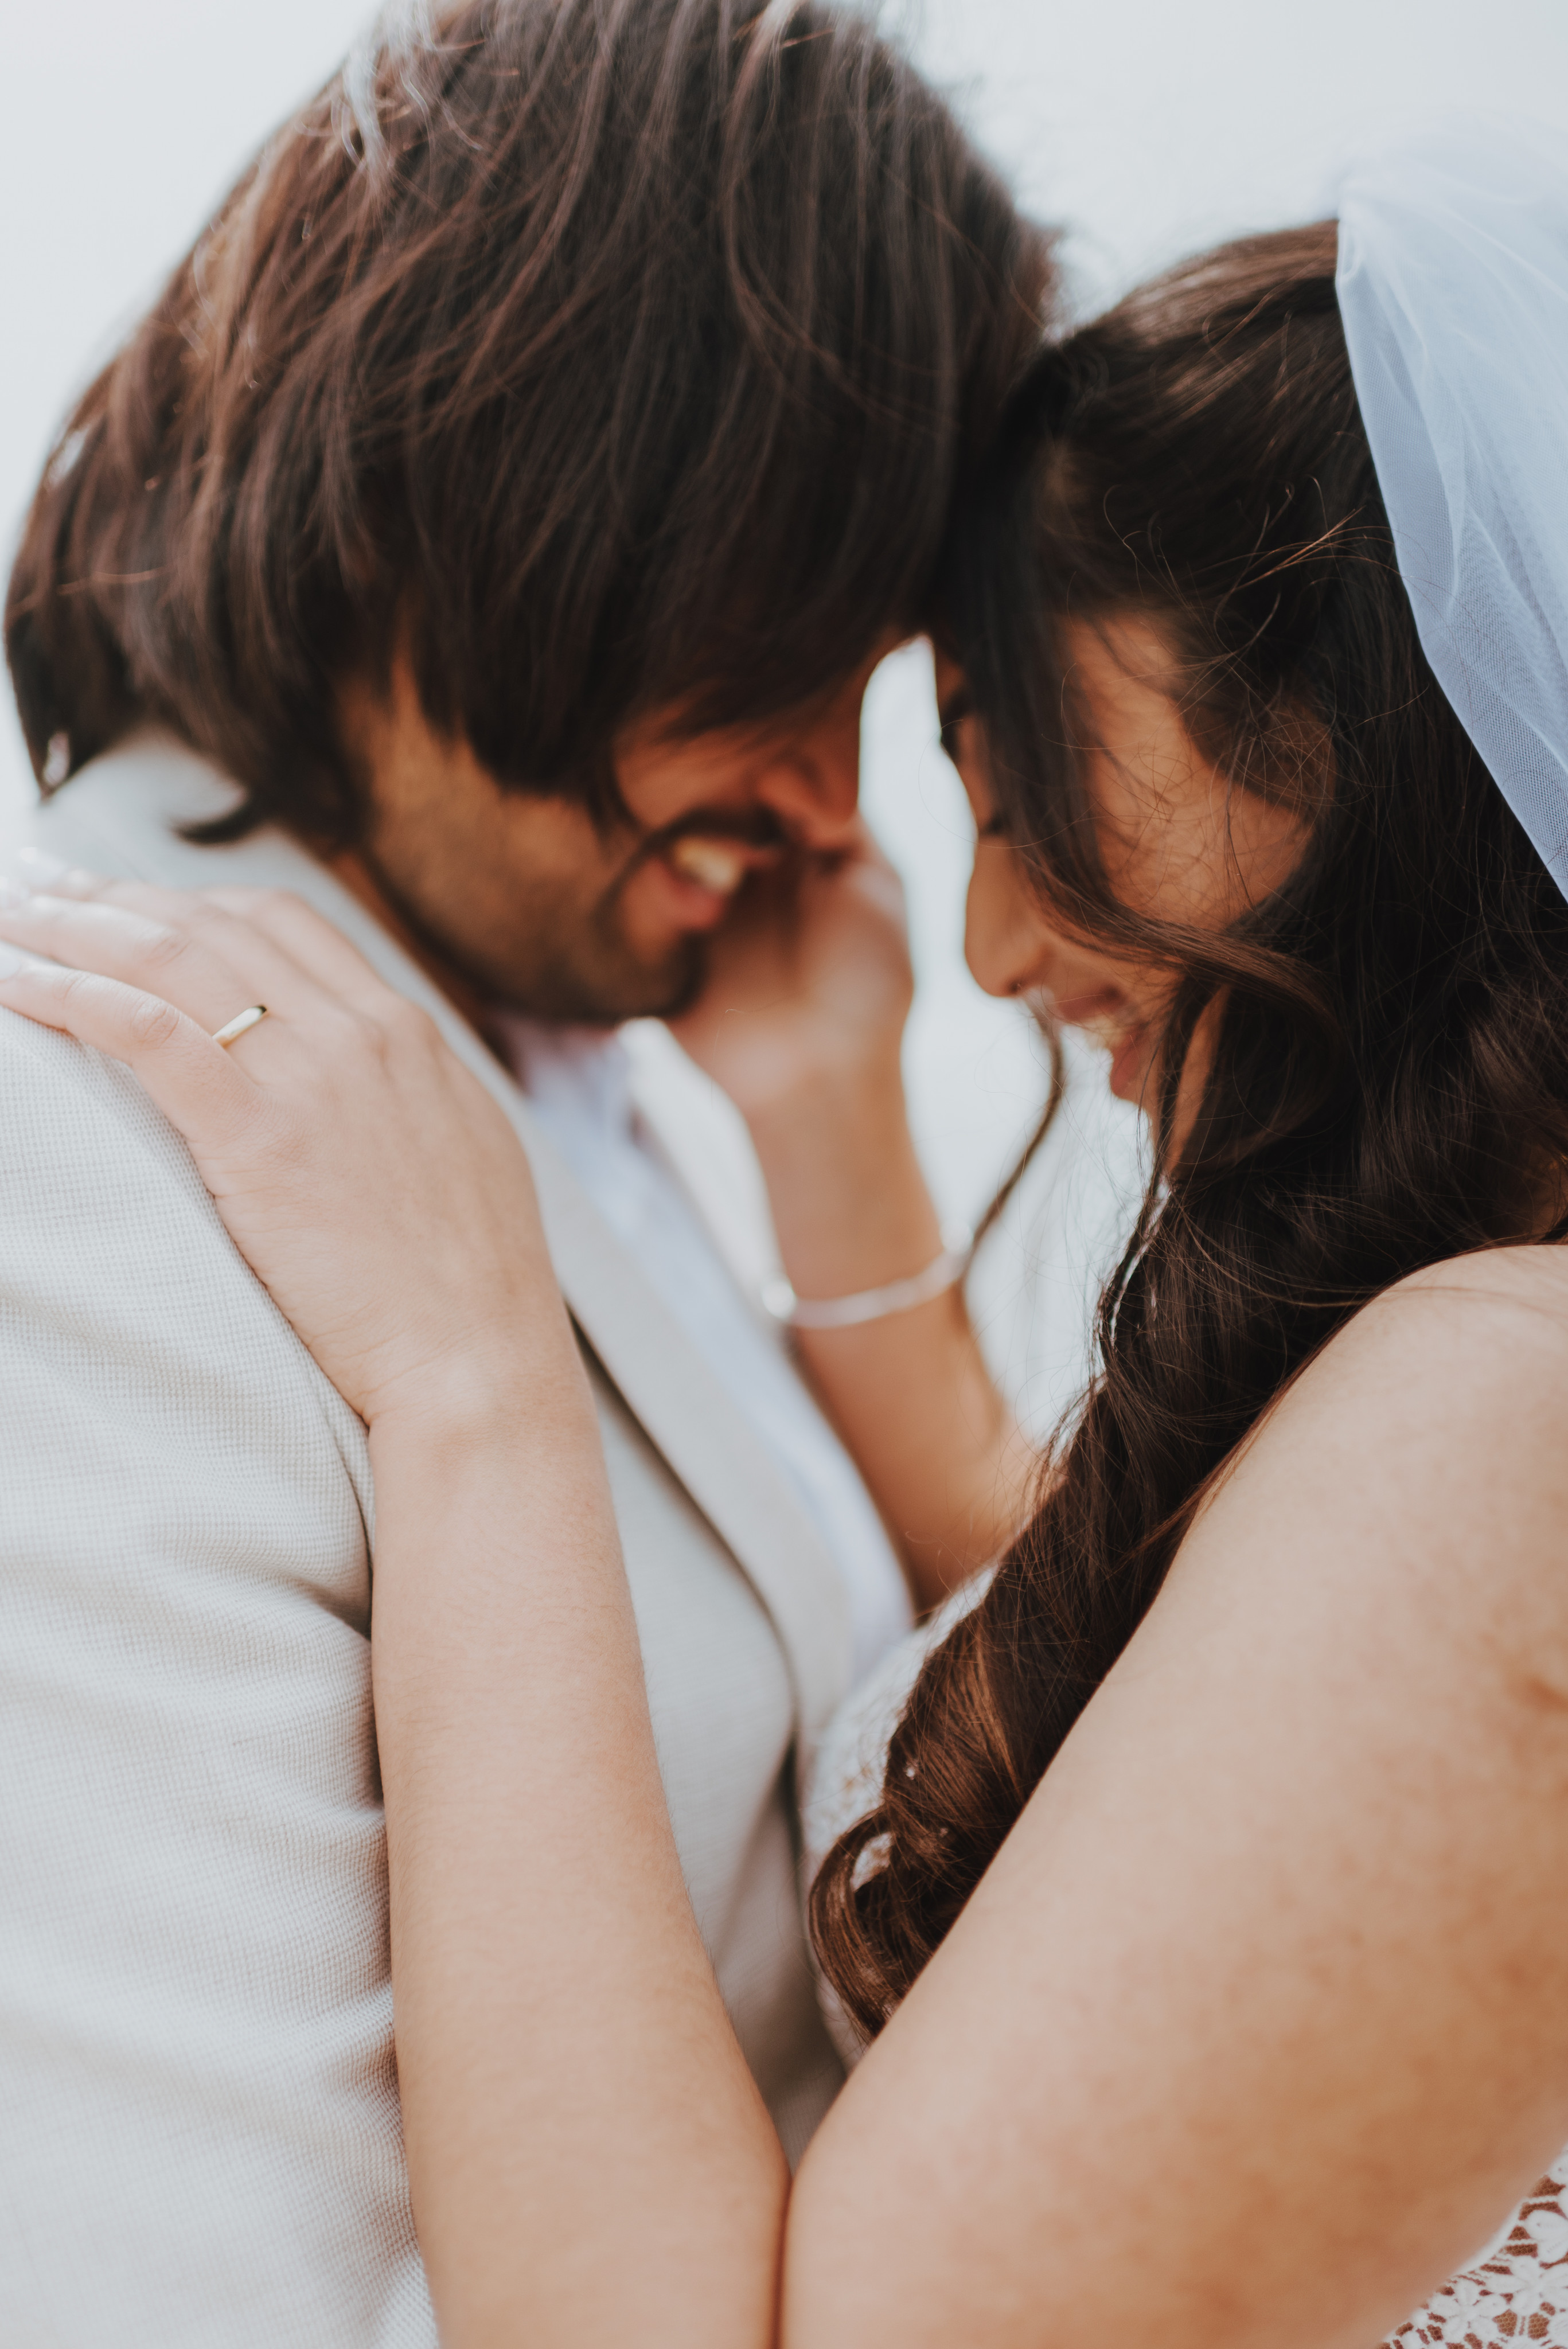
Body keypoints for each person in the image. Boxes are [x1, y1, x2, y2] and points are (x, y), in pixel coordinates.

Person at [9, 115, 1566, 2349]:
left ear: (1343, 719)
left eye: (1003, 759)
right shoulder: (1460, 1370)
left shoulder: (1500, 1417)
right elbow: (1086, 1624)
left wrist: (478, 1386)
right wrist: (827, 1128)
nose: (985, 935)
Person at [0, 4, 1049, 2342]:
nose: (823, 805)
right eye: (774, 660)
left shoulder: (566, 1067)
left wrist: (832, 1150)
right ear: (499, 493)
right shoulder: (67, 1155)